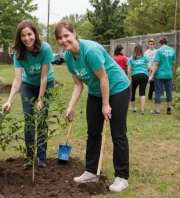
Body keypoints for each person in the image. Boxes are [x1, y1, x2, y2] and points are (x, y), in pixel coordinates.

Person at [54, 20, 130, 192]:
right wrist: (71, 106)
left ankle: (122, 177)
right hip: (96, 92)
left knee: (118, 133)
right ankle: (90, 170)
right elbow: (78, 84)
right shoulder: (68, 57)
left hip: (117, 87)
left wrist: (106, 104)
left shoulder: (90, 51)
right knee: (93, 132)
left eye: (66, 35)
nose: (64, 40)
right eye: (60, 38)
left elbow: (104, 78)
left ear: (74, 33)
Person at [2, 19, 55, 168]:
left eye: (29, 34)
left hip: (46, 83)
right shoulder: (19, 53)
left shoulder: (45, 48)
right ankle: (29, 157)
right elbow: (17, 80)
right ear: (19, 38)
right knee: (29, 120)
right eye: (23, 36)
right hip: (28, 84)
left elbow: (44, 77)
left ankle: (42, 157)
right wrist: (10, 101)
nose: (27, 38)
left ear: (35, 34)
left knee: (42, 119)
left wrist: (40, 99)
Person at [149, 36, 176, 115]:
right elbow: (174, 63)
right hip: (168, 74)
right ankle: (169, 110)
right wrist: (172, 72)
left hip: (159, 75)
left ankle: (157, 111)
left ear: (160, 43)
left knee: (158, 92)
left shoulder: (159, 51)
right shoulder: (172, 50)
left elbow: (156, 64)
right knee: (169, 92)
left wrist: (152, 75)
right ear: (166, 42)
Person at [127, 44, 151, 114]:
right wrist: (148, 73)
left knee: (132, 91)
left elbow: (129, 70)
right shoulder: (145, 58)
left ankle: (134, 108)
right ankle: (142, 110)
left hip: (135, 76)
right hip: (144, 75)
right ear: (141, 50)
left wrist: (129, 77)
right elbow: (149, 68)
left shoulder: (131, 59)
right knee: (142, 92)